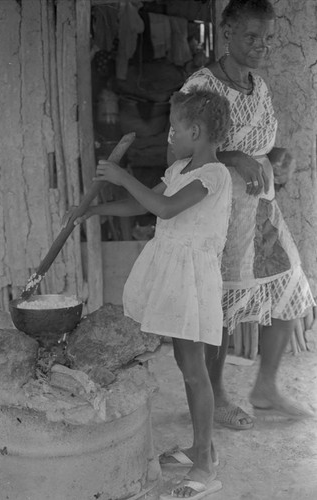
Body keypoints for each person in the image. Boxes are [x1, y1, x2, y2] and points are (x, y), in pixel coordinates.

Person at [64, 88, 232, 499]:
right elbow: (143, 205)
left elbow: (166, 209)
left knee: (195, 371)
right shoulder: (178, 169)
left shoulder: (214, 174)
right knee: (185, 363)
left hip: (192, 281)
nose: (170, 134)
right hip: (173, 277)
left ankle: (207, 465)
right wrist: (94, 211)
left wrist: (122, 176)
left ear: (195, 129)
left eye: (175, 128)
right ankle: (197, 447)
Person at [162, 0, 315, 440]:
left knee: (289, 288)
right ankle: (219, 394)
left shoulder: (258, 85)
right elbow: (179, 149)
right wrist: (230, 156)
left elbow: (261, 144)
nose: (261, 46)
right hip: (219, 213)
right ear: (226, 32)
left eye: (267, 38)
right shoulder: (203, 85)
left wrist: (276, 158)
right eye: (251, 36)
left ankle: (266, 386)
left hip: (262, 211)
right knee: (219, 310)